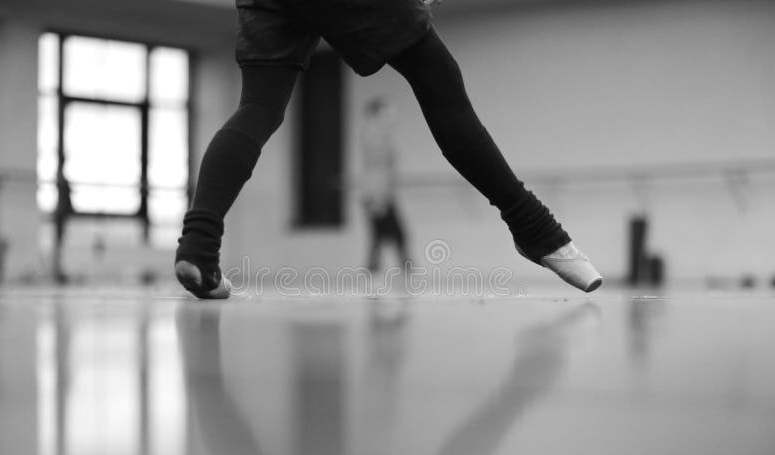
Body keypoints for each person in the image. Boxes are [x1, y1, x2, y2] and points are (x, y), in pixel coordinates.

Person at [175, 0, 603, 299]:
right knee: (440, 81)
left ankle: (198, 247)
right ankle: (536, 231)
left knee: (257, 107)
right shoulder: (372, 135)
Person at [359, 97, 409, 272]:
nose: (391, 117)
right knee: (388, 235)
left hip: (381, 193)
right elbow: (377, 169)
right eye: (386, 113)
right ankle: (379, 271)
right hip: (377, 194)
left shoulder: (379, 136)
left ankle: (379, 270)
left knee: (383, 236)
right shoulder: (374, 137)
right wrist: (378, 198)